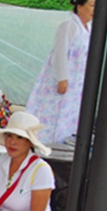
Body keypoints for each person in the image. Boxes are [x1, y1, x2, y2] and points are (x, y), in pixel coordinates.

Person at [26, 0, 95, 144]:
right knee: (52, 114)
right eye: (92, 5)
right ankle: (44, 142)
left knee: (69, 115)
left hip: (76, 83)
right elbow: (60, 53)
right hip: (61, 81)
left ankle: (62, 142)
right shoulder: (69, 26)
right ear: (80, 6)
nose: (94, 10)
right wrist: (62, 78)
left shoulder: (87, 29)